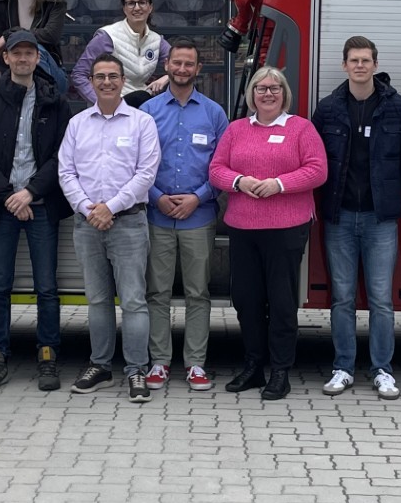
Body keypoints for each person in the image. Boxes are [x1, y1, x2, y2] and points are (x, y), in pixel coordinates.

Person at [209, 66, 327, 402]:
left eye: (275, 88)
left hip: (286, 228)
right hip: (244, 227)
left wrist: (279, 184)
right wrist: (239, 181)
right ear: (252, 94)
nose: (268, 94)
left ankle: (280, 371)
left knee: (281, 301)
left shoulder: (300, 128)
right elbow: (216, 169)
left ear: (284, 93)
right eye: (261, 88)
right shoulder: (235, 130)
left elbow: (318, 169)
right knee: (246, 301)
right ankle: (253, 365)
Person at [312, 36, 401, 400]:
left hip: (379, 218)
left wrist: (387, 192)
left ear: (375, 64)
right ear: (344, 66)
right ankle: (343, 367)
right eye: (354, 60)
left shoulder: (396, 107)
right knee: (342, 298)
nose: (360, 66)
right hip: (339, 217)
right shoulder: (328, 109)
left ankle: (382, 370)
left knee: (380, 299)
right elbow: (318, 160)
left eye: (366, 60)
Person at [0, 28, 71, 394]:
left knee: (47, 287)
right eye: (17, 53)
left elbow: (63, 156)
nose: (23, 58)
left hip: (41, 205)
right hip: (2, 205)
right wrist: (9, 194)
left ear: (38, 59)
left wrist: (30, 192)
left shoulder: (55, 102)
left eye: (30, 53)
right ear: (6, 58)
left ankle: (47, 357)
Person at [57, 53, 161, 401]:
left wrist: (110, 207)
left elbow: (146, 173)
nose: (106, 82)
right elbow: (66, 172)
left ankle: (136, 370)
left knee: (133, 301)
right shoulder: (78, 123)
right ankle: (100, 365)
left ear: (123, 81)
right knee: (98, 299)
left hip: (129, 222)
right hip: (88, 223)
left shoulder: (141, 123)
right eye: (99, 76)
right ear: (92, 81)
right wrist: (89, 208)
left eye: (112, 76)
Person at [142, 40, 228, 393]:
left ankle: (195, 364)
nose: (181, 69)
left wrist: (198, 197)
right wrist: (157, 197)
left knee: (198, 292)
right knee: (156, 292)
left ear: (198, 69)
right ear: (167, 65)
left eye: (188, 64)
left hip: (199, 216)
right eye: (176, 63)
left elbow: (224, 167)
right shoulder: (147, 111)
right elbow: (135, 164)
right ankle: (159, 363)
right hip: (156, 214)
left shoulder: (214, 114)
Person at [71, 0, 169, 107]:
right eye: (131, 3)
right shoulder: (107, 36)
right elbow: (79, 74)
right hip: (109, 109)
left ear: (150, 7)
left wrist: (167, 77)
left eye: (142, 2)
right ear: (124, 9)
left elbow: (182, 64)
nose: (137, 8)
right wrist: (102, 103)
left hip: (142, 107)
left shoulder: (157, 41)